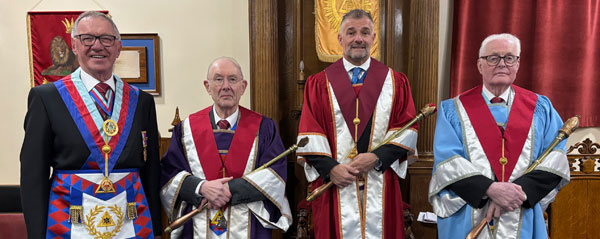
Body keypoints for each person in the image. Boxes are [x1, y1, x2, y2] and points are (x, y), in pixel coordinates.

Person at [20, 11, 162, 238]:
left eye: (106, 39)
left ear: (118, 48)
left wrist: (156, 229)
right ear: (74, 45)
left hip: (132, 224)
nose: (97, 46)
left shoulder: (141, 101)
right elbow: (32, 176)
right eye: (87, 38)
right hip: (67, 225)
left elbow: (152, 170)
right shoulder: (46, 97)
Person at [428, 33, 570, 238]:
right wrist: (490, 190)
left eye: (509, 58)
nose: (502, 64)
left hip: (520, 210)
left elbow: (555, 159)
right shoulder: (453, 110)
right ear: (479, 65)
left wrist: (515, 194)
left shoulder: (541, 108)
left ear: (517, 64)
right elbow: (447, 162)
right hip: (469, 212)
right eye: (493, 58)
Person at [296, 9, 418, 239]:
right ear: (340, 39)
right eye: (351, 32)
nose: (358, 38)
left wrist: (377, 157)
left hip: (379, 180)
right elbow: (310, 133)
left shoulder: (396, 82)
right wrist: (331, 169)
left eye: (365, 32)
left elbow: (407, 128)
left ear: (374, 38)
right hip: (335, 183)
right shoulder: (318, 84)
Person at [160, 57, 291, 239]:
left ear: (243, 86)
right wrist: (201, 187)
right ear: (207, 86)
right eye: (218, 79)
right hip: (198, 222)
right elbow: (169, 174)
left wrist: (230, 189)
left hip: (249, 224)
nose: (226, 86)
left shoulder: (264, 128)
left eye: (233, 79)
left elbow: (274, 175)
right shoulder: (186, 129)